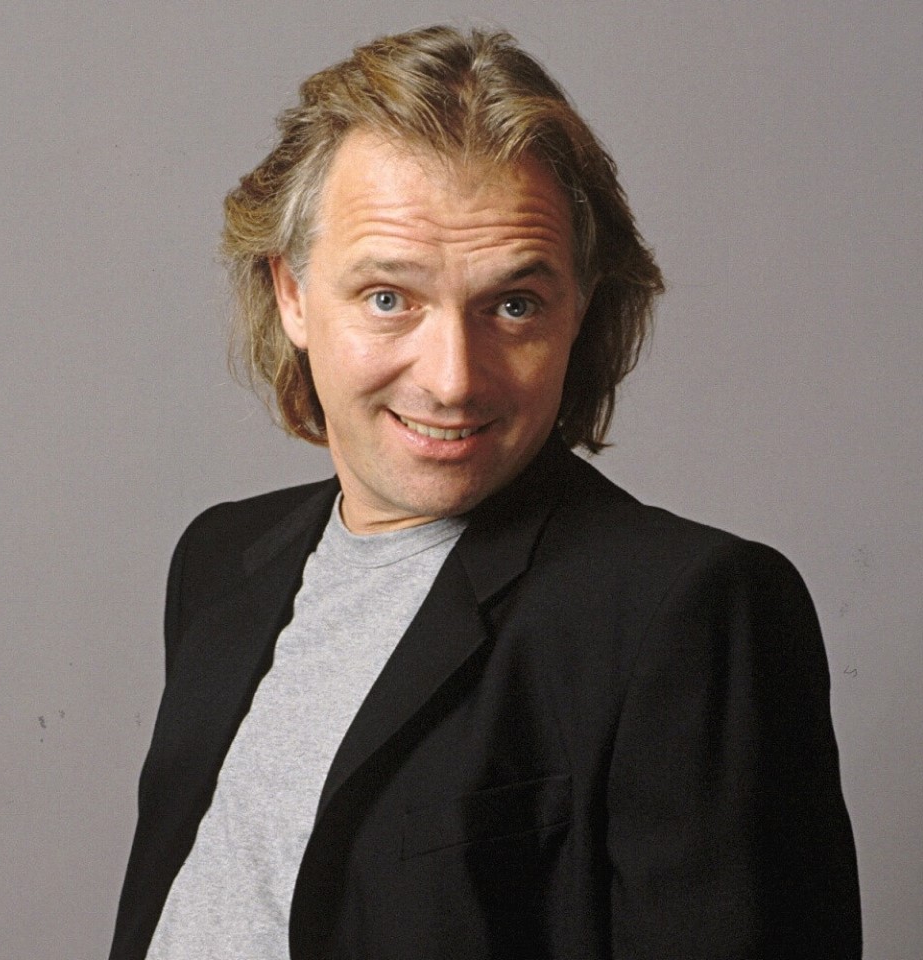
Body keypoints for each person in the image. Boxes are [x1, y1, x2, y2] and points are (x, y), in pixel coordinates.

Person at [109, 25, 861, 960]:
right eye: (389, 298)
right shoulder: (219, 562)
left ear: (580, 310)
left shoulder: (692, 612)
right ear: (293, 294)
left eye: (513, 305)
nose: (454, 379)